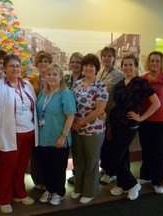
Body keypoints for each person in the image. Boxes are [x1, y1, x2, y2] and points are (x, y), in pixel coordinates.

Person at [0, 54, 38, 214]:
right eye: (11, 66)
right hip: (9, 136)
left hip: (28, 134)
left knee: (21, 167)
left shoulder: (27, 85)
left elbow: (32, 108)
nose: (15, 69)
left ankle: (19, 193)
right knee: (6, 169)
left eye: (17, 66)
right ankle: (3, 199)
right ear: (5, 68)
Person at [109, 54, 160, 200]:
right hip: (116, 124)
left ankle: (132, 184)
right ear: (121, 66)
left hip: (129, 125)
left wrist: (141, 118)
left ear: (136, 66)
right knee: (123, 155)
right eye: (125, 65)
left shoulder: (141, 82)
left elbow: (156, 103)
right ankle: (122, 184)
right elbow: (116, 105)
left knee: (115, 156)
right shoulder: (120, 84)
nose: (128, 67)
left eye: (131, 65)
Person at [71, 53, 109, 204]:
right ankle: (79, 188)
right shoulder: (77, 84)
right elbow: (70, 103)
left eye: (91, 65)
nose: (88, 68)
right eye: (85, 65)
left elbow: (99, 110)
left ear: (96, 68)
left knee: (92, 161)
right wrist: (74, 122)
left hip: (93, 130)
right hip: (76, 129)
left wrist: (81, 122)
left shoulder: (100, 85)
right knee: (78, 161)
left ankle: (90, 191)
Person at [37, 64, 76, 205]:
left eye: (55, 74)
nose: (51, 77)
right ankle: (49, 189)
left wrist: (63, 136)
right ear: (45, 77)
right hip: (44, 137)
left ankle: (58, 192)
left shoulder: (66, 93)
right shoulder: (43, 93)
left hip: (59, 138)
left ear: (60, 77)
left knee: (58, 168)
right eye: (49, 74)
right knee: (46, 167)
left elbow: (70, 116)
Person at [138, 51, 163, 194]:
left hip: (161, 121)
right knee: (146, 149)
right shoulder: (142, 78)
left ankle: (157, 181)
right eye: (152, 61)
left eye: (157, 61)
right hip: (145, 120)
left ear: (162, 63)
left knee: (159, 151)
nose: (154, 63)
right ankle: (146, 176)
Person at [97, 46, 125, 185]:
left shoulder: (119, 75)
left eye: (109, 56)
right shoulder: (99, 72)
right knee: (103, 145)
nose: (106, 58)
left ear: (114, 58)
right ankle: (105, 167)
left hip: (112, 116)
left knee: (111, 144)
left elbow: (119, 99)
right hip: (99, 116)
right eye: (104, 55)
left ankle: (112, 172)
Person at [30, 51, 52, 190]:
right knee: (36, 150)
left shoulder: (54, 79)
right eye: (41, 61)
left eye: (46, 61)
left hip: (51, 120)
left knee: (48, 151)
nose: (43, 64)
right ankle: (38, 179)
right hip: (35, 120)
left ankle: (49, 179)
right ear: (37, 64)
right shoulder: (31, 80)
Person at [63, 52, 84, 185]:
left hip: (81, 120)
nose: (75, 64)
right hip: (65, 120)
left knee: (79, 151)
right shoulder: (64, 79)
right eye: (73, 61)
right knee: (68, 149)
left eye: (78, 62)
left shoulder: (86, 79)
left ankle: (79, 175)